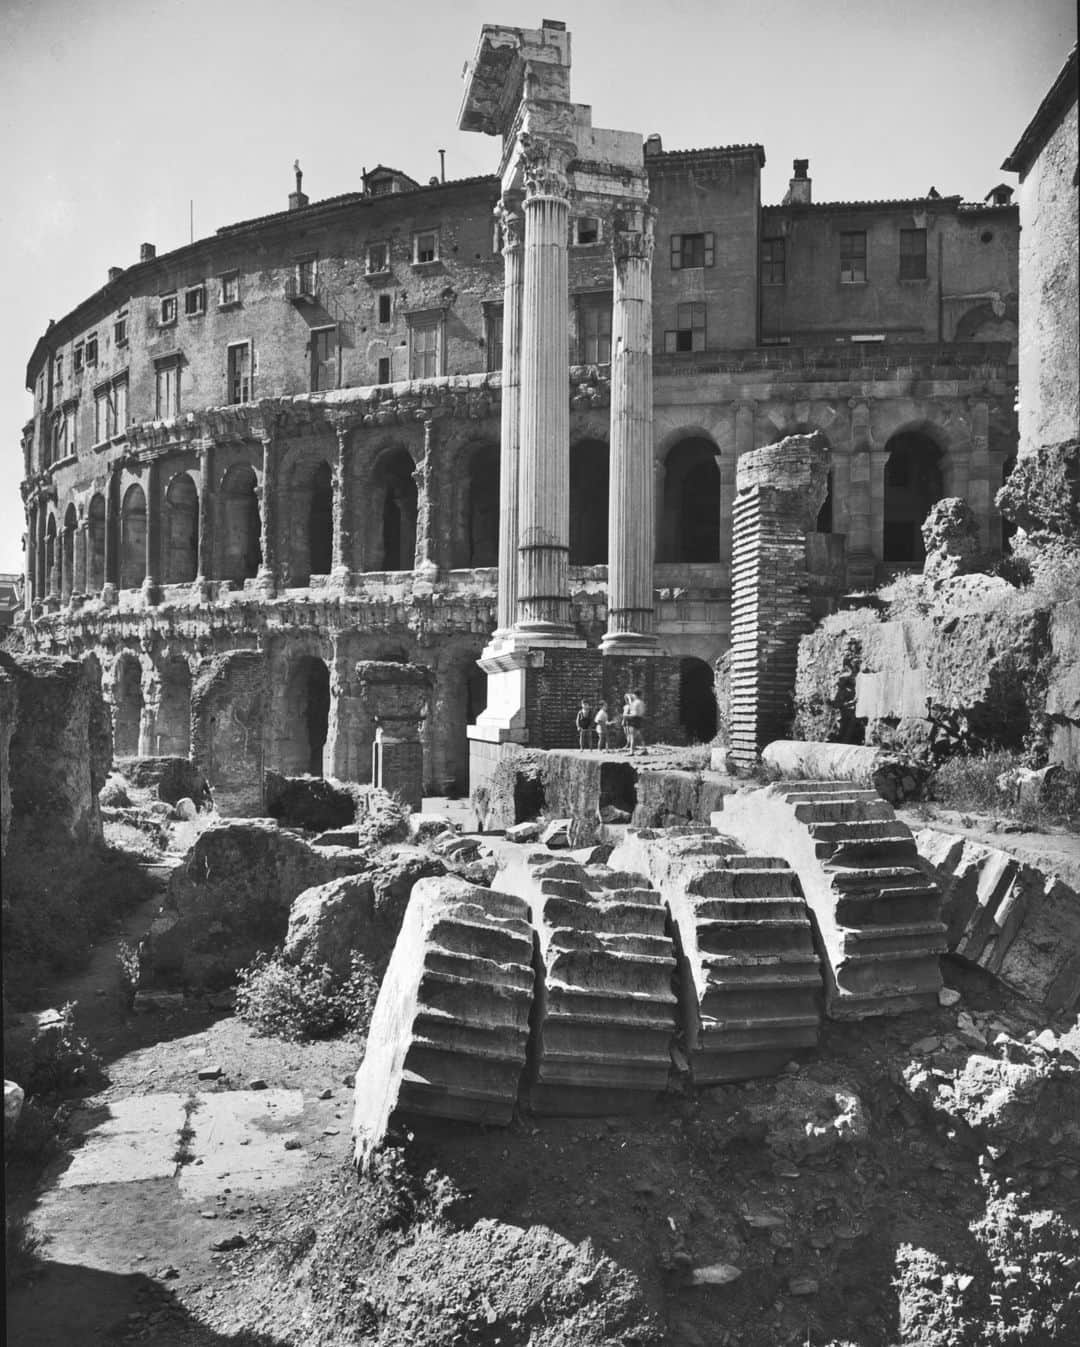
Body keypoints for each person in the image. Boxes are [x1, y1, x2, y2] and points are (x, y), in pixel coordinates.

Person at [626, 689, 647, 755]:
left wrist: (627, 715)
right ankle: (644, 749)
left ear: (635, 695)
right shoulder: (642, 702)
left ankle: (631, 752)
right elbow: (642, 712)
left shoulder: (635, 703)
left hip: (634, 719)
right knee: (639, 735)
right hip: (639, 719)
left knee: (632, 736)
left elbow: (634, 713)